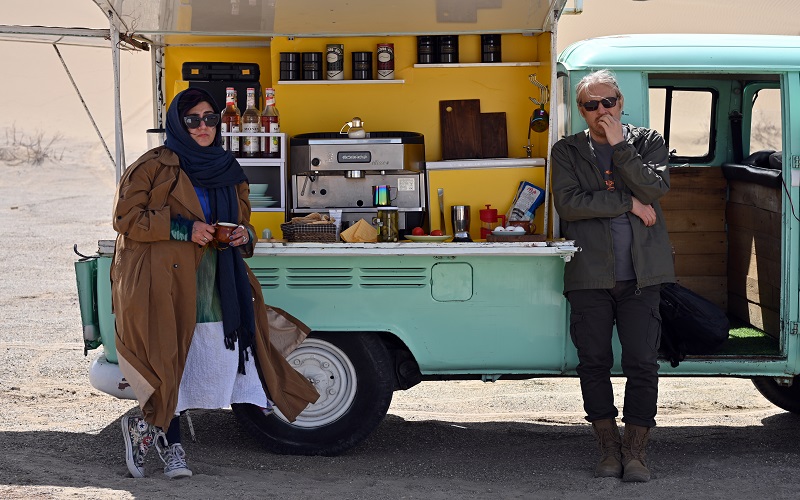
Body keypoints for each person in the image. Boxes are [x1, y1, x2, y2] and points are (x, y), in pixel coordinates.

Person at [111, 88, 319, 479]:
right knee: (168, 360)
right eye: (193, 120)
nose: (203, 127)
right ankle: (169, 444)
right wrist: (182, 228)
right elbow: (125, 218)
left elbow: (244, 221)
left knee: (196, 363)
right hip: (165, 280)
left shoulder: (227, 166)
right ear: (177, 123)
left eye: (210, 119)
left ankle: (147, 428)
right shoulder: (153, 166)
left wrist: (244, 236)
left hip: (215, 283)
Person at [551, 69, 675, 482]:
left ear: (621, 103)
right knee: (594, 363)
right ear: (582, 111)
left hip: (643, 275)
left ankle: (636, 452)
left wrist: (622, 146)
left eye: (609, 102)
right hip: (590, 275)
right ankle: (607, 448)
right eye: (592, 104)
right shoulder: (566, 150)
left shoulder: (648, 142)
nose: (602, 111)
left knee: (642, 362)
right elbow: (569, 205)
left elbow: (654, 189)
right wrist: (629, 204)